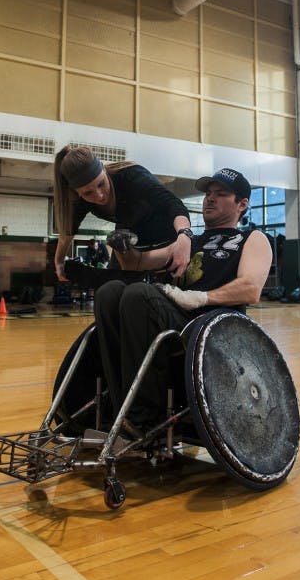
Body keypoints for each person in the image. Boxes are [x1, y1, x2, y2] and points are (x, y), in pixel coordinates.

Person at [93, 168, 272, 429]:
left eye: (220, 194)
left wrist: (199, 298)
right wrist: (123, 247)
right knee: (109, 292)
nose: (209, 199)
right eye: (208, 194)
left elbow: (250, 288)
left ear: (242, 204)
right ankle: (121, 408)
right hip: (178, 318)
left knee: (138, 294)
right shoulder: (190, 241)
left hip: (212, 328)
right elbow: (139, 263)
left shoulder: (252, 238)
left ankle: (144, 418)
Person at [52, 146, 193, 282]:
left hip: (165, 231)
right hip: (130, 231)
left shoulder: (133, 177)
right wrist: (58, 262)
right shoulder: (79, 202)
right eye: (88, 193)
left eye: (101, 184)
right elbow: (67, 234)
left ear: (104, 170)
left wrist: (184, 235)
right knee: (112, 287)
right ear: (76, 192)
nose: (100, 196)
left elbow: (172, 204)